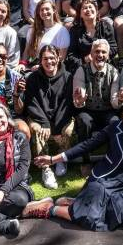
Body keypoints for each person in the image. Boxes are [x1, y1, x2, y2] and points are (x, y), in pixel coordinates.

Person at [34, 100, 123, 231]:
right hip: (102, 180)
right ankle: (51, 209)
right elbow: (86, 145)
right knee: (90, 219)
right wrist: (53, 159)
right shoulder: (115, 128)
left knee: (120, 214)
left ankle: (75, 203)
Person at [24, 45, 74, 189]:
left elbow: (67, 104)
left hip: (61, 117)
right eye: (45, 58)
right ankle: (46, 168)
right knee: (38, 130)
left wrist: (57, 127)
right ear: (40, 60)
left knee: (68, 130)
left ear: (58, 58)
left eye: (52, 58)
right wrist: (45, 123)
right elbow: (32, 103)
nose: (49, 61)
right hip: (40, 117)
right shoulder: (33, 78)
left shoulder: (68, 77)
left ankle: (60, 159)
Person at [0, 103, 40, 237]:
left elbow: (22, 169)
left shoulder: (19, 138)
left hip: (13, 189)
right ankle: (6, 225)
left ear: (7, 117)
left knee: (20, 200)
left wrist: (2, 191)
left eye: (0, 117)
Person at [72, 40, 121, 172]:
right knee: (84, 121)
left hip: (107, 110)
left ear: (108, 55)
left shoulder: (114, 72)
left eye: (103, 52)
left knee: (115, 122)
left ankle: (114, 159)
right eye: (97, 51)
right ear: (91, 54)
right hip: (87, 110)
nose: (100, 55)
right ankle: (86, 160)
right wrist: (80, 100)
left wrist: (120, 98)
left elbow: (115, 103)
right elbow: (78, 99)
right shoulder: (81, 70)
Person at [65, 0, 118, 74]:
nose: (88, 10)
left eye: (90, 7)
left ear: (96, 11)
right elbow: (71, 55)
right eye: (84, 8)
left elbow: (113, 47)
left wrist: (99, 55)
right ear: (80, 14)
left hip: (104, 66)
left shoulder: (106, 26)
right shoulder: (75, 30)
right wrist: (85, 59)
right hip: (83, 68)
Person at [0, 44, 29, 138]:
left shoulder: (17, 78)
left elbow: (19, 111)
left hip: (12, 117)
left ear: (7, 59)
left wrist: (16, 95)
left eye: (3, 56)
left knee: (24, 130)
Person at [22, 0, 70, 64]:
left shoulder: (62, 31)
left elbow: (61, 58)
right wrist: (23, 64)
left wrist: (41, 67)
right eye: (42, 10)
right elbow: (26, 51)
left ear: (54, 10)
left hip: (52, 67)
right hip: (34, 65)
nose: (44, 12)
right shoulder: (33, 29)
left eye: (47, 9)